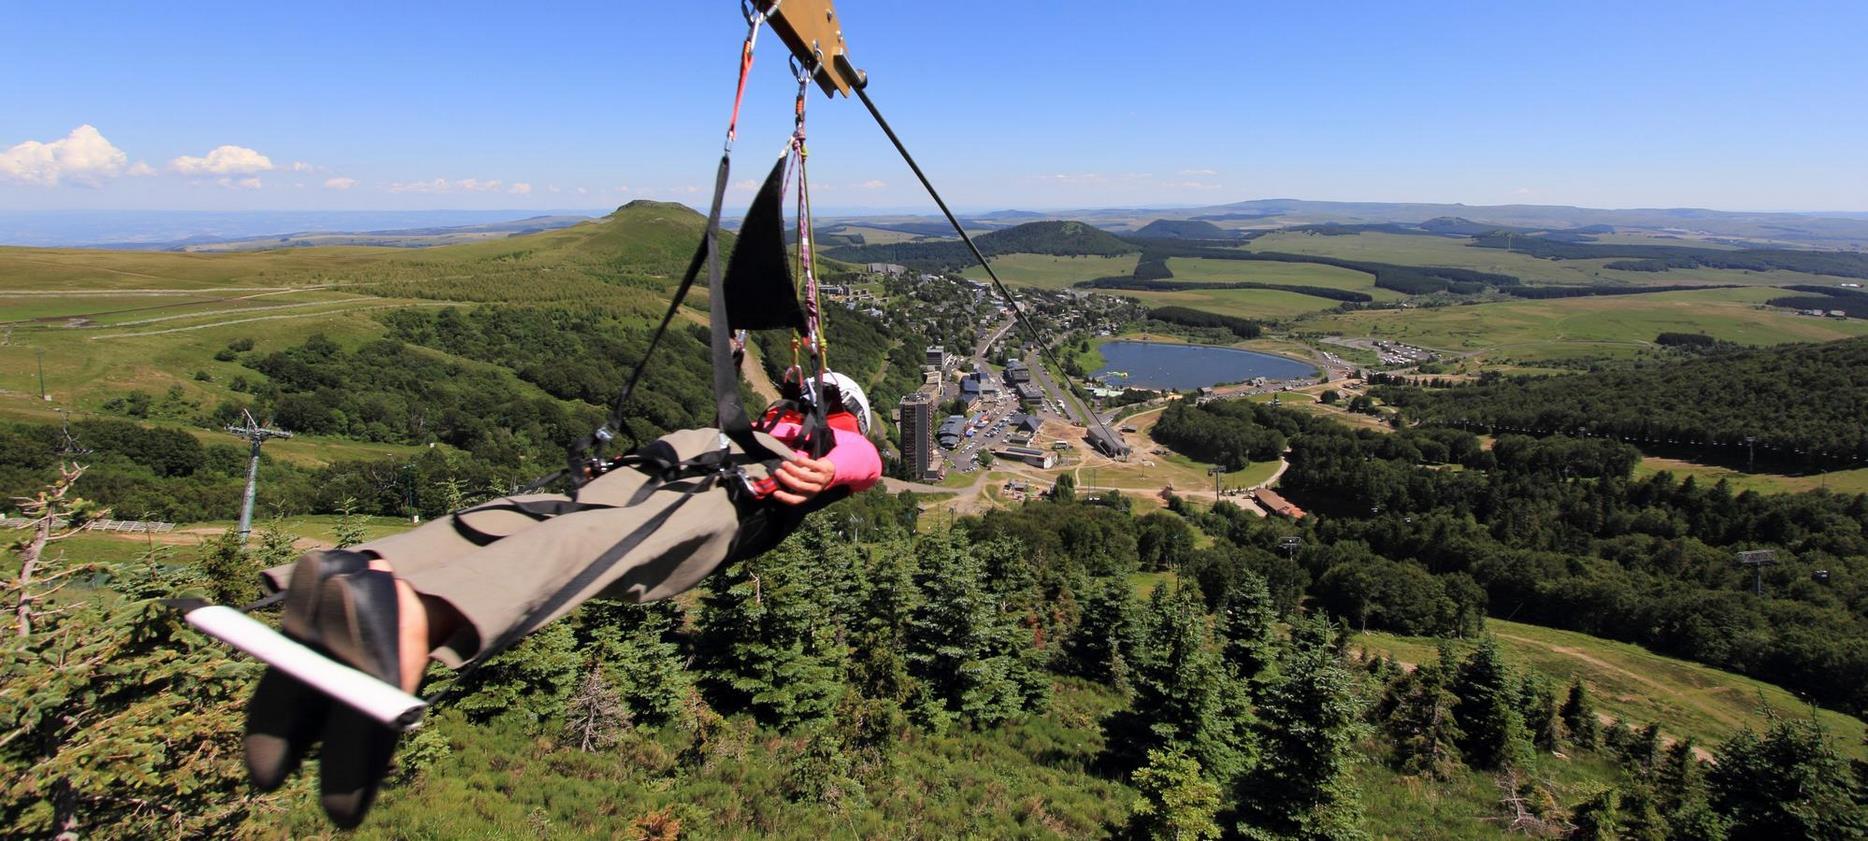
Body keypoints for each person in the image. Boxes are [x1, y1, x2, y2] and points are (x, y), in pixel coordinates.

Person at [244, 372, 880, 827]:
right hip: (737, 487)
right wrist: (825, 465)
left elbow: (847, 452)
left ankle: (361, 571)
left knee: (539, 515)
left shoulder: (786, 418)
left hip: (681, 451)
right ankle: (413, 617)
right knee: (591, 545)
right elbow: (864, 459)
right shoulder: (831, 436)